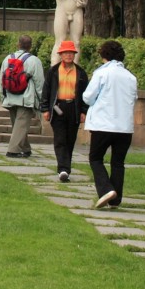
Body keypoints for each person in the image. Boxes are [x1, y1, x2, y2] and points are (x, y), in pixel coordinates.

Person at [82, 39, 138, 209]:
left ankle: (106, 189)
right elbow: (134, 98)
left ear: (103, 55)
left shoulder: (102, 73)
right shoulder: (130, 77)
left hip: (103, 124)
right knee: (118, 162)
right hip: (124, 127)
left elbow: (88, 97)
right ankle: (115, 199)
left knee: (95, 158)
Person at [41, 38, 89, 182]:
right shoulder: (53, 71)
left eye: (71, 53)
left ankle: (65, 167)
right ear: (61, 54)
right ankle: (63, 169)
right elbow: (46, 91)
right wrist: (45, 109)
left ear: (74, 54)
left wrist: (83, 111)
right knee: (60, 138)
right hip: (58, 107)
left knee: (70, 139)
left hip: (73, 108)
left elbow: (85, 94)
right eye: (66, 53)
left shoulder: (81, 72)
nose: (68, 55)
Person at [0, 34, 43, 158]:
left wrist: (3, 97)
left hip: (10, 96)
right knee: (21, 126)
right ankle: (12, 151)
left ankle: (25, 148)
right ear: (31, 46)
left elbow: (1, 80)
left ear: (18, 44)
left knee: (18, 126)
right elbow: (39, 83)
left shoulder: (7, 58)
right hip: (26, 98)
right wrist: (41, 101)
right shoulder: (34, 60)